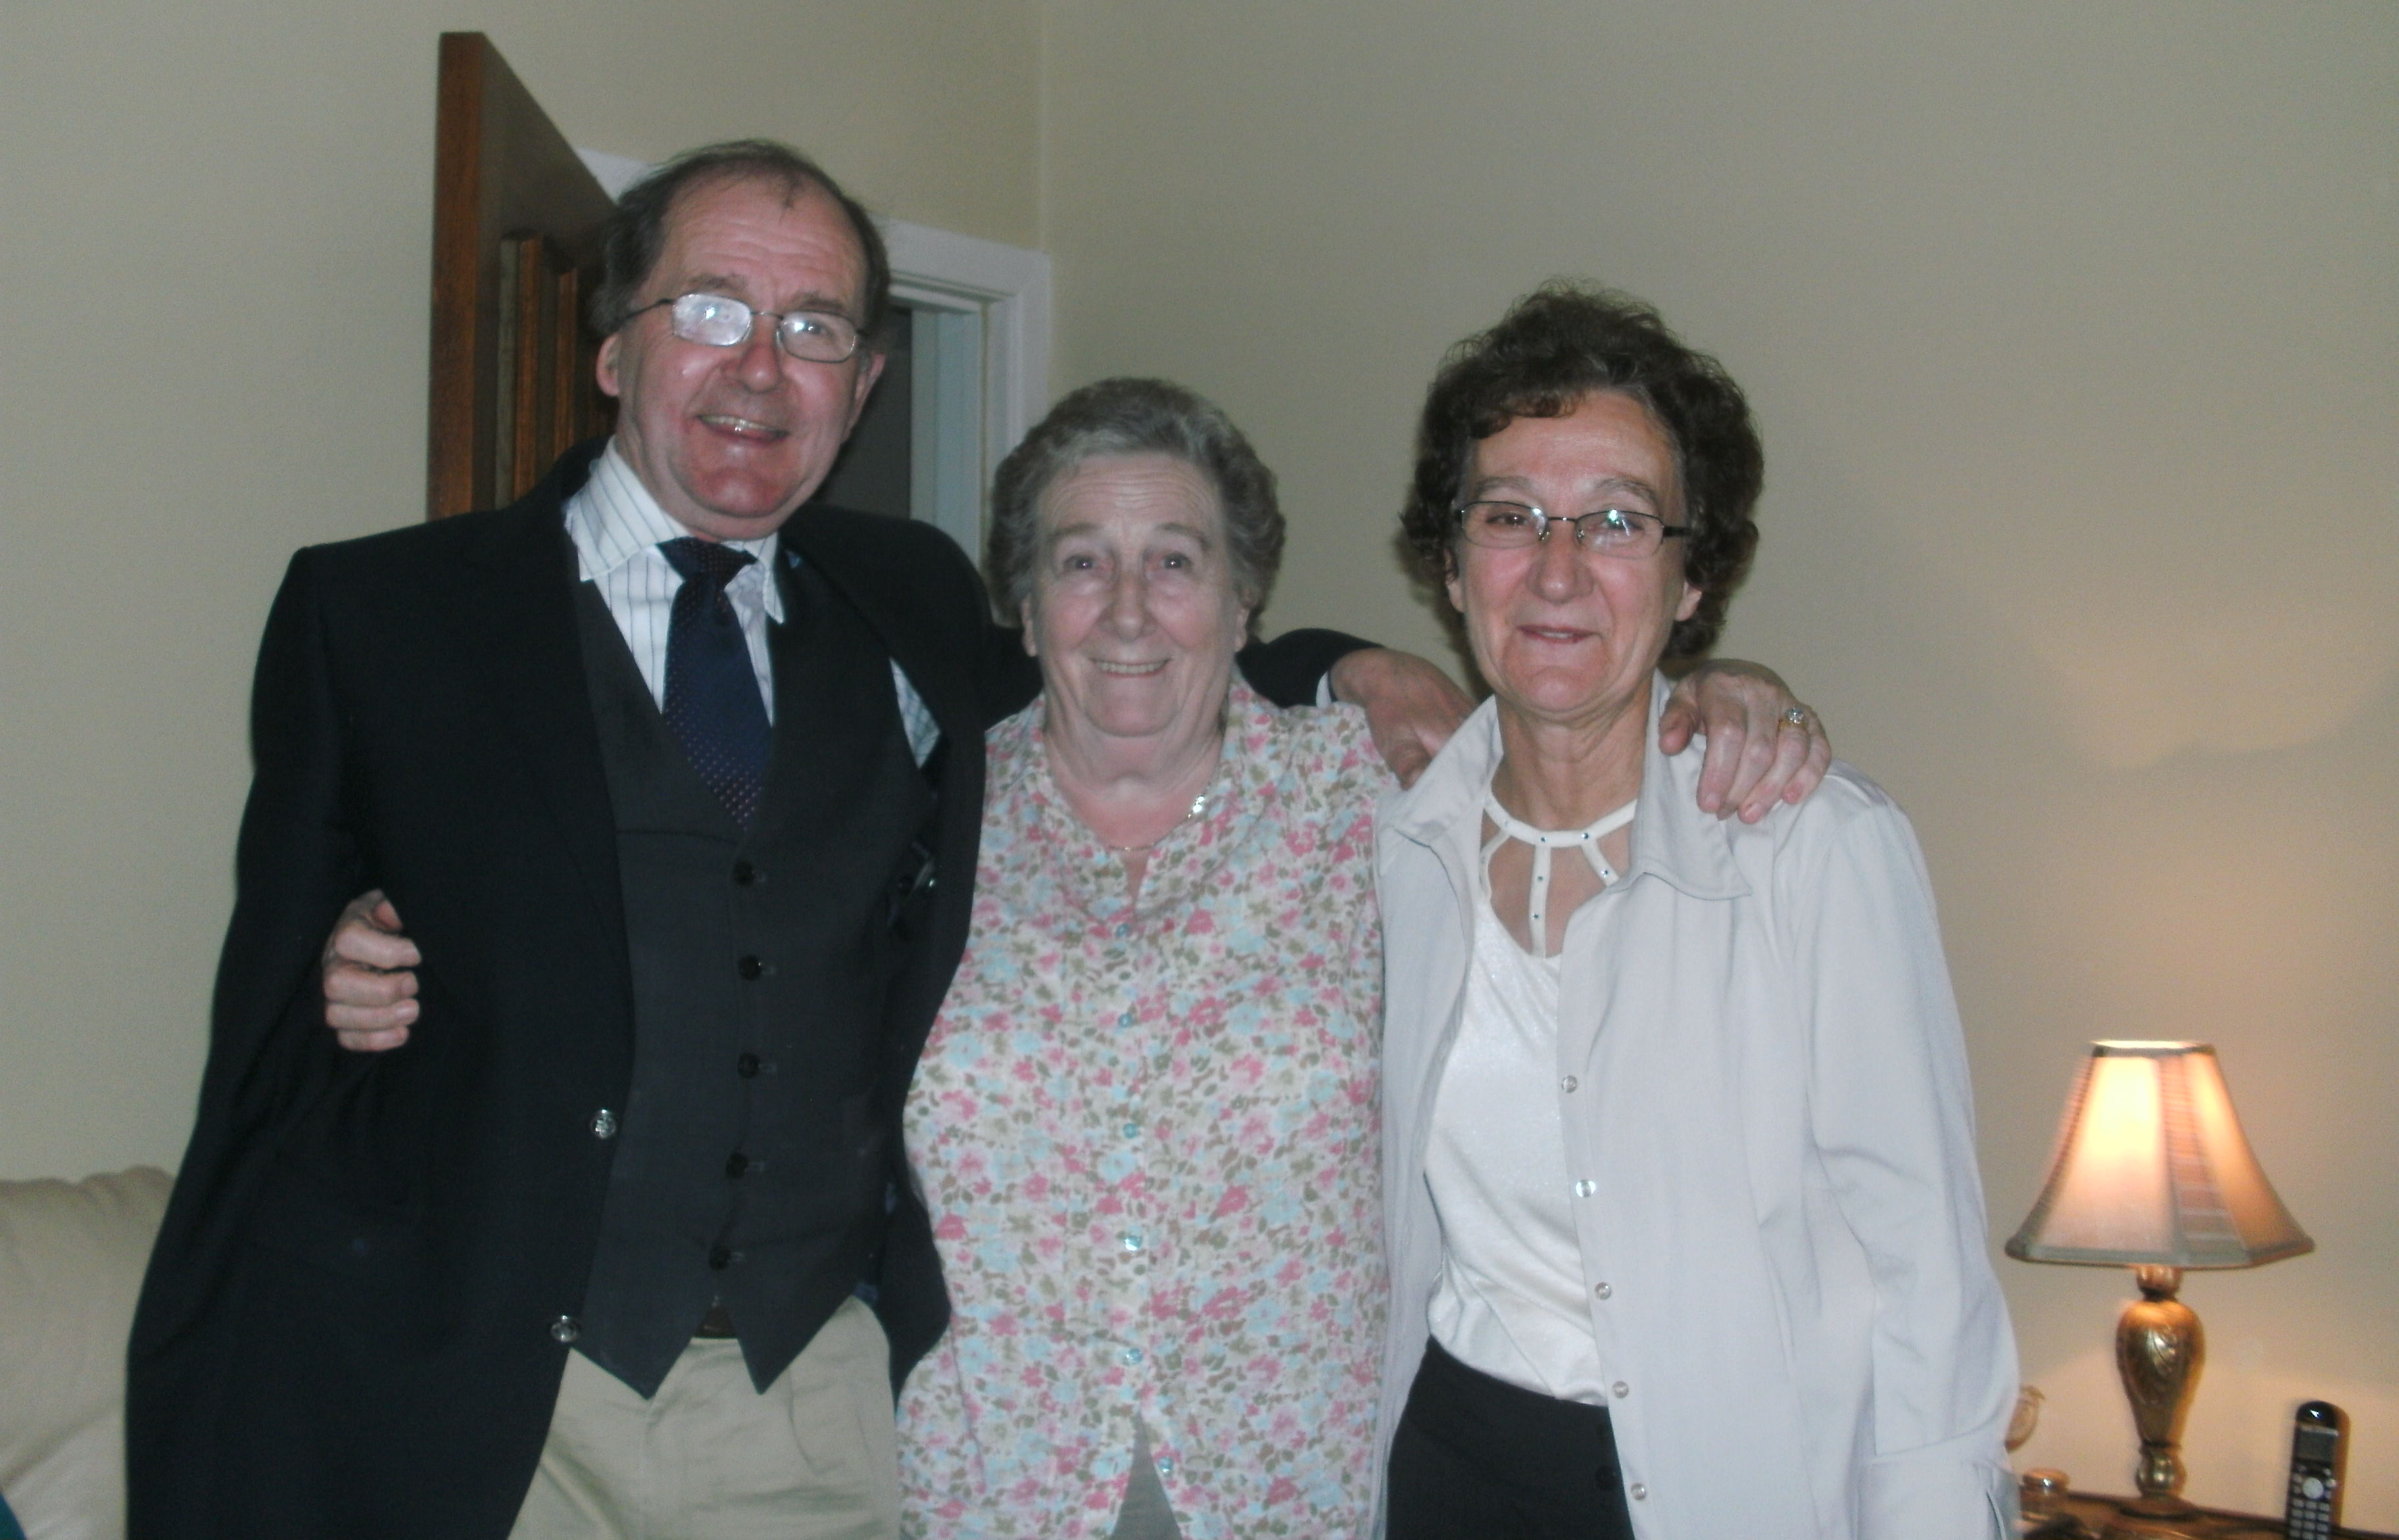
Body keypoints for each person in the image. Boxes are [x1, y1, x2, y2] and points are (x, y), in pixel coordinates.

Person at [133, 136, 1816, 1540]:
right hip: (494, 1397)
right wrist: (341, 992)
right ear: (613, 345)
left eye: (812, 328)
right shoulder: (384, 617)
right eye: (712, 309)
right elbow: (265, 1062)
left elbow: (1157, 667)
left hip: (808, 1413)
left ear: (863, 385)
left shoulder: (905, 608)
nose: (756, 365)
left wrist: (1492, 675)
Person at [1375, 284, 2017, 1540]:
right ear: (1453, 566)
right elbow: (1155, 655)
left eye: (1617, 521)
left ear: (1689, 577)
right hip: (1451, 1468)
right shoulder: (1395, 847)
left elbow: (1927, 1291)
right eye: (1511, 516)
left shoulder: (1816, 852)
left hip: (1732, 1493)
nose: (1556, 571)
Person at [896, 380, 1388, 1539]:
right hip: (988, 1482)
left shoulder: (1365, 801)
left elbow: (1584, 775)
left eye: (1174, 562)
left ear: (1244, 600)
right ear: (1023, 607)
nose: (1126, 612)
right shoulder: (919, 815)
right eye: (1079, 564)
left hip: (1295, 1477)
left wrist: (1723, 710)